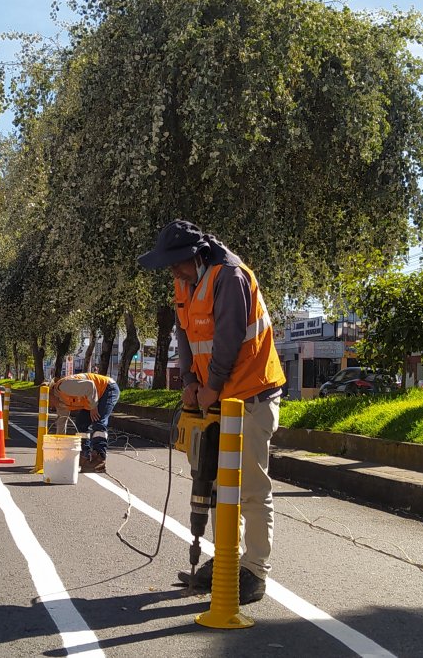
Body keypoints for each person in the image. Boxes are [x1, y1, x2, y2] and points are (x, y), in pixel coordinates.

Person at [138, 219, 286, 605]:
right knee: (218, 488)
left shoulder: (230, 277)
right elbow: (184, 334)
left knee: (251, 488)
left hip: (252, 395)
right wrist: (188, 380)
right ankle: (227, 560)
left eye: (175, 263)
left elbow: (229, 336)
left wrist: (212, 386)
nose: (172, 271)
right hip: (217, 398)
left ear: (195, 255)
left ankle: (255, 571)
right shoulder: (185, 281)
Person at [50, 372, 120, 473]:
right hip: (91, 397)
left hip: (106, 389)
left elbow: (90, 386)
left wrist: (93, 407)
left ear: (50, 393)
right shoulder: (60, 402)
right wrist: (59, 449)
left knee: (98, 421)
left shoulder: (64, 386)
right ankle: (84, 456)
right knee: (81, 422)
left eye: (48, 402)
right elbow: (61, 423)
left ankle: (99, 459)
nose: (50, 406)